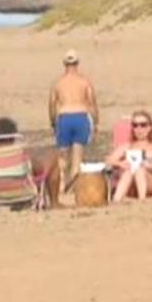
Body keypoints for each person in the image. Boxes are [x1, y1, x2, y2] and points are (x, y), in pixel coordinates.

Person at [48, 50, 98, 196]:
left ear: (64, 64)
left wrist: (52, 121)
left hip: (64, 116)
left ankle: (61, 186)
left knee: (62, 155)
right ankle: (74, 188)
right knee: (77, 155)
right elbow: (92, 102)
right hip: (81, 116)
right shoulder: (85, 81)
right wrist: (96, 121)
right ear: (77, 63)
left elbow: (52, 104)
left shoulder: (58, 83)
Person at [105, 111, 152, 201]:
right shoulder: (127, 146)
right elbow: (109, 160)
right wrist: (120, 163)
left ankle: (142, 201)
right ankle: (116, 200)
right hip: (129, 183)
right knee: (130, 170)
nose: (139, 128)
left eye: (143, 125)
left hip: (151, 182)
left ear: (150, 127)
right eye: (135, 125)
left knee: (139, 169)